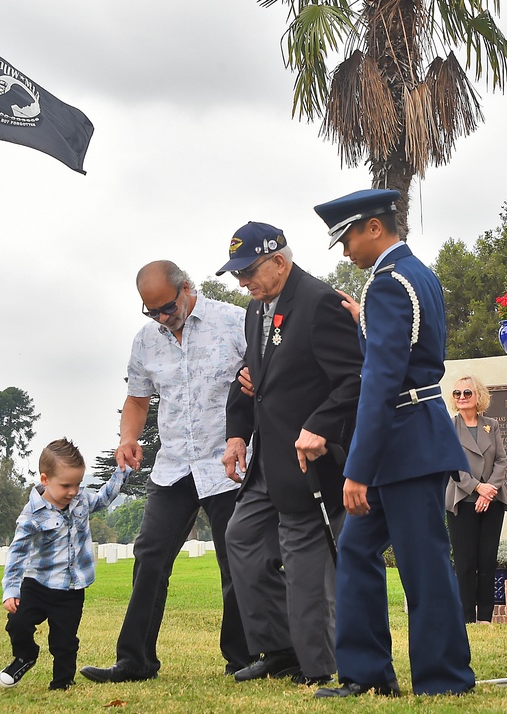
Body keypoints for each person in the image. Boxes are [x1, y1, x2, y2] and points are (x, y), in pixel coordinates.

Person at [311, 189, 475, 698]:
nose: (345, 252)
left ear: (374, 228)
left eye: (348, 238)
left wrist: (356, 469)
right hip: (409, 437)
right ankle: (365, 674)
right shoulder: (416, 276)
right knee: (358, 550)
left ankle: (444, 680)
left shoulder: (387, 285)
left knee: (422, 563)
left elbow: (382, 381)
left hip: (403, 442)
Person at [80, 260, 250, 683]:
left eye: (166, 307)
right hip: (174, 466)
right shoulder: (146, 341)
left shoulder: (235, 322)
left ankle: (244, 658)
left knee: (236, 562)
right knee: (150, 557)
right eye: (150, 310)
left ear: (187, 287)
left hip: (228, 463)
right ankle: (135, 661)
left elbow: (264, 379)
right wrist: (127, 437)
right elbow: (137, 398)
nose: (160, 317)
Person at [217, 222, 363, 686]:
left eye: (248, 271)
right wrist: (237, 433)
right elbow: (252, 378)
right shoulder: (255, 309)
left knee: (308, 571)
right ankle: (280, 648)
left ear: (279, 260)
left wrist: (320, 426)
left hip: (310, 464)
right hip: (267, 460)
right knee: (240, 538)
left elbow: (354, 380)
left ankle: (319, 666)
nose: (242, 282)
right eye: (237, 274)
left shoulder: (321, 303)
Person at [0, 439, 128, 691]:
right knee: (18, 624)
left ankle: (62, 682)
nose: (73, 491)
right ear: (45, 479)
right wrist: (11, 590)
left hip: (71, 588)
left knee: (65, 639)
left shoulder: (80, 501)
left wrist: (122, 471)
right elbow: (17, 554)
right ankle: (25, 656)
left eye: (78, 484)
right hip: (37, 585)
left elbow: (102, 499)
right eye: (66, 485)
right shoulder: (31, 516)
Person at [445, 376, 507, 625]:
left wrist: (489, 490)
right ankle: (466, 619)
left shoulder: (491, 425)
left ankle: (485, 618)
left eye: (467, 393)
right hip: (462, 501)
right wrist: (477, 487)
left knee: (487, 561)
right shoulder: (449, 427)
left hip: (491, 502)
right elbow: (450, 463)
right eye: (457, 393)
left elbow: (501, 460)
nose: (461, 397)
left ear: (478, 396)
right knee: (465, 563)